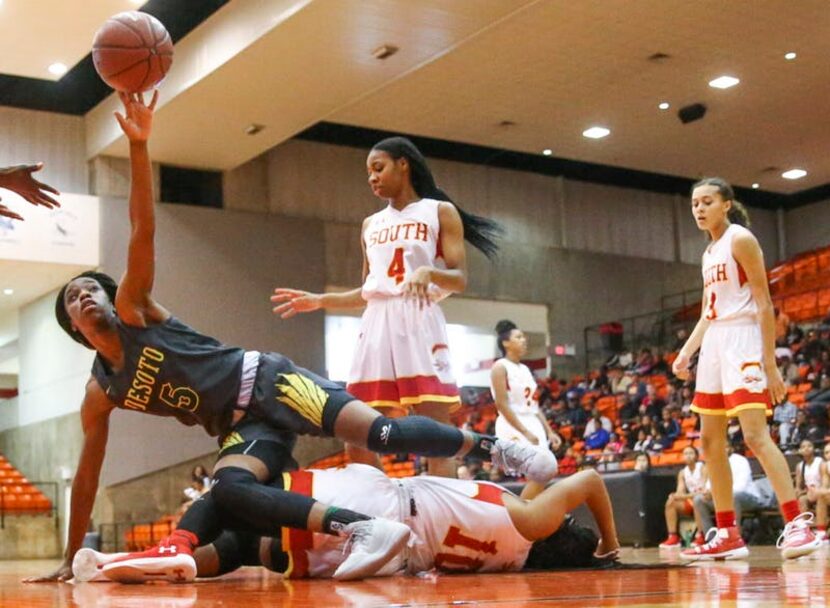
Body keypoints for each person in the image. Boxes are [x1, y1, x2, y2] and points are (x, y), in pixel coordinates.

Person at [26, 93, 555, 584]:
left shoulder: (134, 312)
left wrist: (139, 147)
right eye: (75, 295)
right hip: (242, 425)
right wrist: (68, 560)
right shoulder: (101, 394)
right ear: (73, 326)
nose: (88, 294)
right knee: (230, 488)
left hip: (270, 382)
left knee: (380, 436)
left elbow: (143, 227)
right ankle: (357, 529)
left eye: (93, 285)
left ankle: (496, 447)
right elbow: (87, 481)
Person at [271, 136, 502, 478]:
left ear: (403, 164)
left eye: (378, 168)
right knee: (355, 432)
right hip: (376, 323)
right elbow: (369, 291)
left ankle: (443, 524)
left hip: (419, 318)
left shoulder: (439, 211)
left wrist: (428, 272)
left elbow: (459, 278)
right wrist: (320, 300)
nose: (372, 178)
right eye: (368, 174)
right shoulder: (370, 224)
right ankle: (381, 516)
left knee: (435, 433)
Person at [73, 465, 620, 583]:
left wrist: (608, 549)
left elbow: (590, 479)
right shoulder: (515, 550)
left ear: (559, 528)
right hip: (384, 553)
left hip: (378, 508)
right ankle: (165, 565)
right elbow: (535, 488)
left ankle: (165, 547)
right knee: (245, 546)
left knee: (233, 493)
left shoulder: (530, 519)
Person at [673, 178, 819, 561]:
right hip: (716, 345)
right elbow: (708, 312)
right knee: (709, 442)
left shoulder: (741, 239)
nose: (699, 209)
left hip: (742, 340)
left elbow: (764, 303)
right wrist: (687, 352)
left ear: (726, 204)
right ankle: (727, 533)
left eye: (707, 202)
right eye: (694, 204)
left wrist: (771, 365)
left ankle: (798, 525)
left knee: (755, 434)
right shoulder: (708, 253)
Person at [490, 320, 559, 496]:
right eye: (518, 337)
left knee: (543, 473)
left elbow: (534, 406)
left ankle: (534, 512)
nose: (524, 340)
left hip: (532, 420)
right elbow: (502, 404)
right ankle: (517, 514)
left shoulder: (526, 369)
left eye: (523, 337)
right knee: (519, 475)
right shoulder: (500, 367)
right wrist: (524, 431)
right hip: (512, 422)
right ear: (505, 343)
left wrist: (550, 431)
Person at [659, 446, 708, 548]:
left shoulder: (703, 468)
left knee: (697, 500)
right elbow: (679, 493)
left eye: (691, 453)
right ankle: (673, 537)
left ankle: (701, 535)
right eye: (685, 454)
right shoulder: (682, 472)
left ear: (696, 456)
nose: (688, 456)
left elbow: (703, 491)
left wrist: (683, 496)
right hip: (691, 499)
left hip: (705, 499)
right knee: (671, 502)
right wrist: (676, 496)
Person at [794, 439, 827, 539]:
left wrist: (817, 491)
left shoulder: (820, 462)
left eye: (809, 446)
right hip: (808, 492)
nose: (806, 448)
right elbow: (798, 486)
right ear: (800, 450)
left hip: (820, 490)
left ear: (814, 449)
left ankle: (821, 529)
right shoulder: (800, 466)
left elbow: (825, 481)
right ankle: (804, 530)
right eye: (803, 447)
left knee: (818, 496)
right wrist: (799, 492)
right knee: (801, 500)